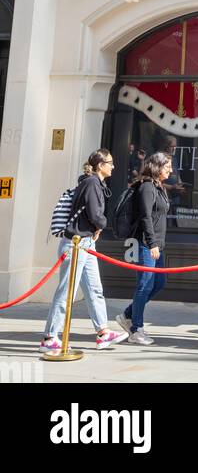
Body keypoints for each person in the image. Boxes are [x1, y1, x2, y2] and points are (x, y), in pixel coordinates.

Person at [41, 149, 129, 353]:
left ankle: (103, 332)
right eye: (110, 162)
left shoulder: (94, 183)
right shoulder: (91, 183)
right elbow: (96, 214)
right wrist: (102, 224)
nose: (113, 166)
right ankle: (49, 337)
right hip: (76, 244)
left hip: (86, 243)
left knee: (95, 289)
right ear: (100, 165)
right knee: (67, 292)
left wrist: (96, 228)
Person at [115, 151, 171, 345]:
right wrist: (152, 243)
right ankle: (136, 329)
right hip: (147, 244)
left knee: (159, 282)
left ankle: (128, 315)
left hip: (157, 245)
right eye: (167, 166)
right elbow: (146, 216)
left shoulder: (159, 187)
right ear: (157, 167)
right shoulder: (147, 187)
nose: (170, 170)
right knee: (145, 284)